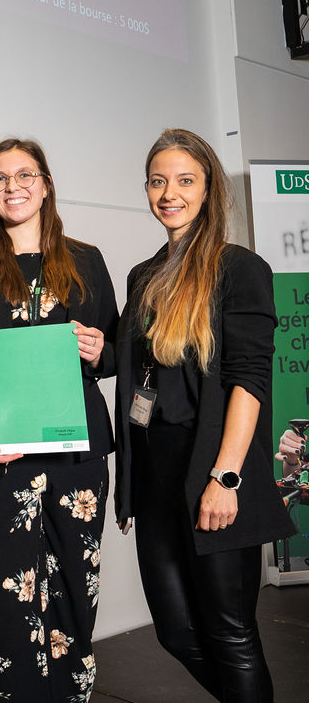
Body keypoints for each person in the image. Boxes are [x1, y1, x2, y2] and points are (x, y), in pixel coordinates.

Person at [0, 138, 118, 700]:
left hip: (76, 454)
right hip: (0, 452)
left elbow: (115, 351)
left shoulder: (85, 260)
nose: (13, 187)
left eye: (24, 175)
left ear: (46, 183)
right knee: (4, 592)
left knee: (74, 585)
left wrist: (96, 349)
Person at [114, 128, 295, 702]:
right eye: (159, 181)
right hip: (157, 477)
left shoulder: (239, 268)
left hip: (214, 469)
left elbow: (250, 381)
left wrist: (227, 477)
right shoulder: (143, 276)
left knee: (230, 633)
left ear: (208, 188)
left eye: (185, 180)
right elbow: (143, 372)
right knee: (175, 630)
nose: (170, 193)